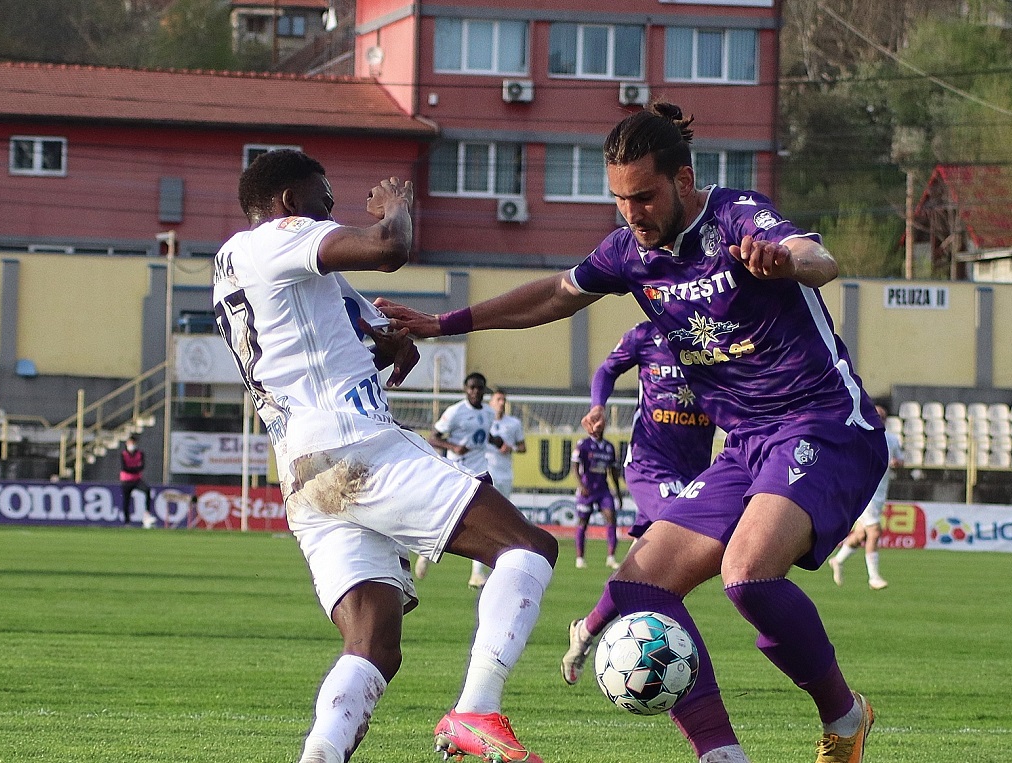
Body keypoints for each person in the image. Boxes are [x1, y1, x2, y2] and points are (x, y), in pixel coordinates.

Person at [373, 103, 887, 763]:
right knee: (638, 589)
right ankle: (721, 755)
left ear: (684, 178)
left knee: (747, 574)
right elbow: (555, 294)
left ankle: (844, 717)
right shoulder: (628, 253)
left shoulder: (732, 216)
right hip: (745, 445)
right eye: (619, 200)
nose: (631, 213)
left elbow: (816, 257)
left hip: (822, 420)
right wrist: (443, 324)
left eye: (642, 197)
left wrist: (785, 260)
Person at [212, 149, 557, 763]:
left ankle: (322, 753)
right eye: (323, 201)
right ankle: (477, 711)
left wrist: (387, 340)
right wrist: (396, 207)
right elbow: (386, 248)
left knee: (374, 647)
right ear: (290, 204)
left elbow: (337, 331)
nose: (331, 215)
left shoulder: (239, 268)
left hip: (305, 472)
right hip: (352, 446)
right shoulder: (275, 238)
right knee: (528, 547)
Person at [562, 320, 716, 685]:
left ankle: (585, 632)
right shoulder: (645, 334)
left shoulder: (718, 334)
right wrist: (597, 406)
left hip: (697, 471)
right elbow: (607, 368)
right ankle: (673, 664)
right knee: (684, 549)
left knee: (643, 570)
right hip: (651, 465)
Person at [414, 372, 496, 581]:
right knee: (445, 516)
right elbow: (434, 437)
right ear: (465, 389)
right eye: (472, 387)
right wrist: (453, 447)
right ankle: (425, 552)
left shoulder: (489, 412)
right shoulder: (455, 411)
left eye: (479, 388)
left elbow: (485, 435)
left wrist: (499, 441)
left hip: (480, 471)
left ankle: (477, 573)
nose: (476, 391)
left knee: (484, 520)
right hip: (457, 471)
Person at [829, 405, 905, 590]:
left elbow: (901, 461)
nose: (880, 418)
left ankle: (837, 560)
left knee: (861, 534)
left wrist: (897, 463)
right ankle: (874, 578)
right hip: (864, 491)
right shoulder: (861, 437)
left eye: (883, 416)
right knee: (874, 532)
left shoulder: (892, 440)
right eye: (877, 415)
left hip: (880, 492)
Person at [473, 388, 528, 588]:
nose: (502, 402)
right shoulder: (483, 419)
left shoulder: (513, 423)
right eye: (498, 399)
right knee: (485, 521)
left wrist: (511, 447)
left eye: (504, 399)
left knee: (501, 522)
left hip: (505, 476)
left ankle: (492, 570)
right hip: (486, 473)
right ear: (491, 402)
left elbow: (523, 447)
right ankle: (477, 572)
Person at [571, 416, 625, 570]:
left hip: (603, 490)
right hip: (587, 490)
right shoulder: (583, 445)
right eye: (595, 424)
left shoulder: (609, 447)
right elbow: (575, 467)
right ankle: (580, 558)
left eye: (601, 424)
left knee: (611, 518)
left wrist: (618, 493)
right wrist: (581, 485)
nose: (598, 427)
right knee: (583, 522)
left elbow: (613, 472)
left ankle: (611, 557)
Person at [119, 436, 150, 525]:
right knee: (126, 500)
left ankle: (147, 514)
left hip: (137, 479)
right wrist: (135, 469)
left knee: (147, 490)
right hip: (126, 480)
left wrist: (133, 469)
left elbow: (142, 467)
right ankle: (127, 521)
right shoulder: (124, 454)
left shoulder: (140, 453)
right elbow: (124, 468)